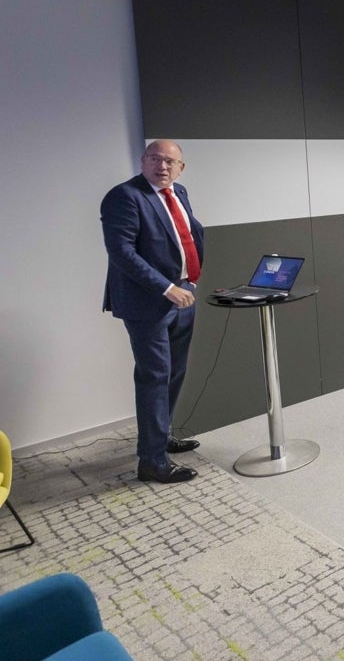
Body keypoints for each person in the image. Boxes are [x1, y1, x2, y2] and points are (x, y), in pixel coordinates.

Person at [101, 140, 204, 484]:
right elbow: (122, 252)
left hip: (183, 294)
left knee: (174, 373)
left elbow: (186, 236)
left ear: (181, 168)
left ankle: (161, 438)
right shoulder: (124, 196)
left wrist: (189, 281)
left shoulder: (180, 192)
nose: (163, 166)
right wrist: (167, 287)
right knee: (154, 376)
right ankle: (152, 462)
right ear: (143, 161)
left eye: (170, 161)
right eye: (155, 159)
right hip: (149, 301)